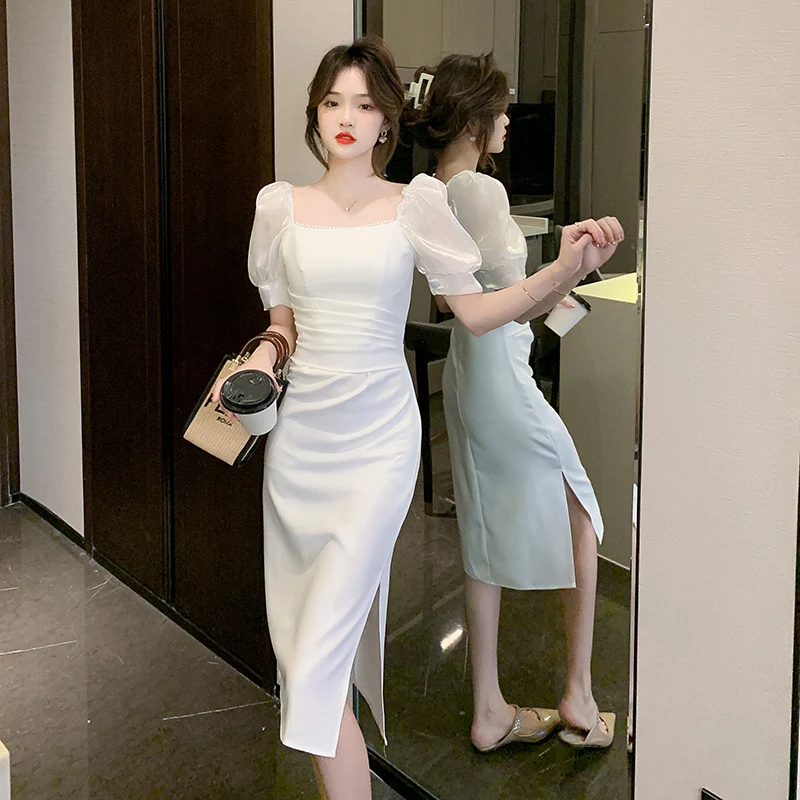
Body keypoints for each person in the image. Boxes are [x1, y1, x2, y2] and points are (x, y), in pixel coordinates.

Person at [212, 37, 609, 800]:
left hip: (379, 443)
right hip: (301, 446)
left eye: (364, 104)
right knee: (305, 658)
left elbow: (477, 311)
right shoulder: (279, 207)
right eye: (333, 102)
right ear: (315, 114)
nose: (347, 117)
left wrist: (563, 271)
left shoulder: (415, 204)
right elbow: (282, 323)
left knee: (316, 664)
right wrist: (264, 354)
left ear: (387, 120)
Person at [408, 53, 624, 752]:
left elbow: (499, 303)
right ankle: (578, 695)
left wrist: (568, 275)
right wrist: (564, 269)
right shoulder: (477, 189)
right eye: (500, 109)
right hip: (500, 376)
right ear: (473, 116)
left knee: (482, 533)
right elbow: (489, 310)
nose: (508, 120)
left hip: (476, 376)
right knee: (580, 512)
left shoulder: (439, 190)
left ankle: (489, 709)